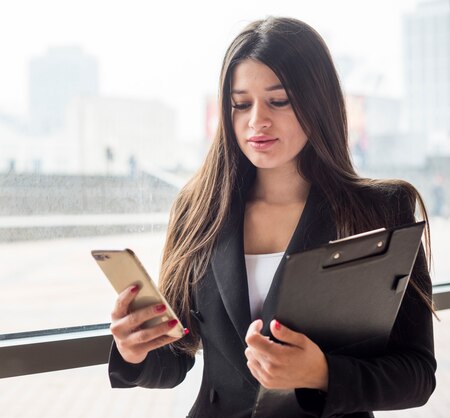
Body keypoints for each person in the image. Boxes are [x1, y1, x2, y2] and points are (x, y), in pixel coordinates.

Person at [107, 16, 436, 417]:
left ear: (318, 102)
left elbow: (417, 376)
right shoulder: (198, 210)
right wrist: (134, 350)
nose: (256, 120)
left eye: (278, 101)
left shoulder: (382, 209)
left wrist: (323, 373)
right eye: (240, 103)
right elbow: (175, 360)